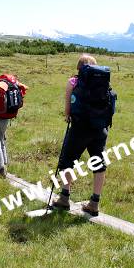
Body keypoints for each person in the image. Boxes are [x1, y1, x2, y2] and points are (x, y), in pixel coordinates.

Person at [52, 54, 109, 216]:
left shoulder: (73, 82)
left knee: (67, 161)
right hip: (100, 128)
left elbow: (67, 110)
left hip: (80, 127)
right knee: (99, 163)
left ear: (79, 68)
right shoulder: (103, 81)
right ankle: (94, 203)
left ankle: (64, 198)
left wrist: (68, 115)